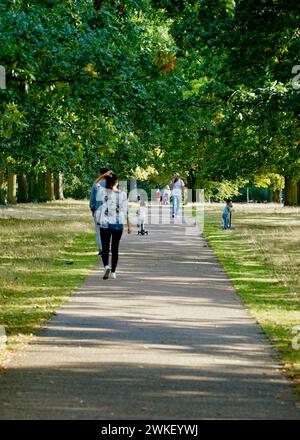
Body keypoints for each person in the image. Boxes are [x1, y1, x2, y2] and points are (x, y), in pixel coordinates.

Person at [95, 173, 131, 280]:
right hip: (117, 224)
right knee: (115, 248)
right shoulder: (122, 194)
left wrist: (103, 175)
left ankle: (106, 266)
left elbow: (95, 183)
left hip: (105, 224)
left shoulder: (102, 192)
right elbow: (126, 211)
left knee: (105, 247)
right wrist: (129, 225)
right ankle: (114, 272)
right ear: (116, 182)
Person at [89, 168, 112, 256]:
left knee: (99, 230)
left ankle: (101, 250)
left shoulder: (96, 184)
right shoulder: (111, 184)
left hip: (98, 210)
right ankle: (108, 249)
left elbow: (92, 199)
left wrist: (92, 209)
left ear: (100, 174)